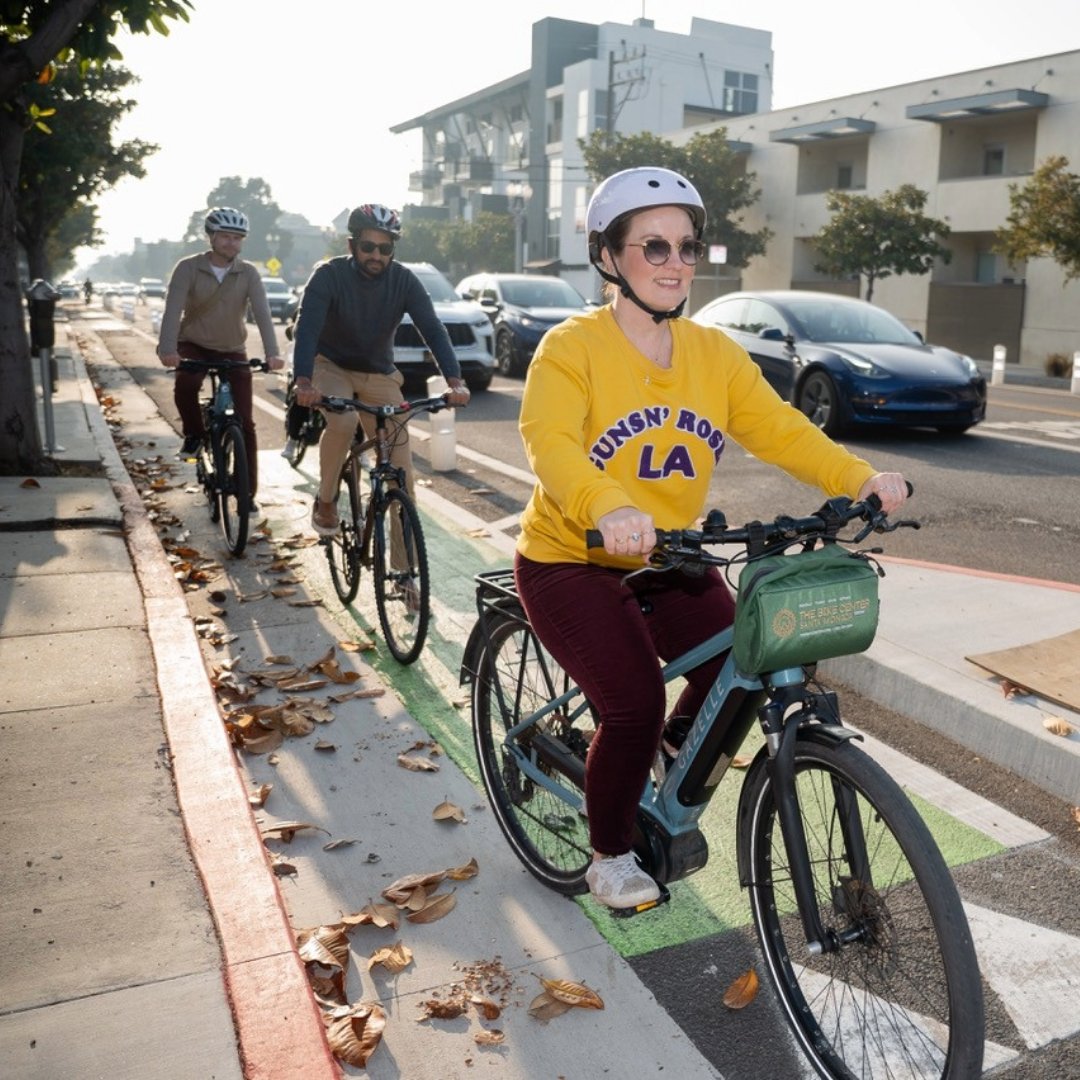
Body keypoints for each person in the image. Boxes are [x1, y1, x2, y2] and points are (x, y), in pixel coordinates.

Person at [513, 167, 910, 911]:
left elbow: (782, 430)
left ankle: (664, 753)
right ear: (609, 257)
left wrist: (858, 478)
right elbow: (552, 445)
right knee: (631, 703)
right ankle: (609, 853)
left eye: (688, 247)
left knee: (744, 653)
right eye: (654, 247)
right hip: (573, 558)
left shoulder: (712, 353)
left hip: (667, 555)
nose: (675, 264)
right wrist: (604, 505)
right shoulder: (571, 349)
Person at [290, 203, 470, 539]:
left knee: (401, 472)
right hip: (331, 365)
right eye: (368, 247)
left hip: (379, 373)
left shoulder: (404, 281)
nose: (376, 255)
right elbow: (308, 328)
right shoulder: (329, 275)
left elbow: (432, 328)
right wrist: (303, 380)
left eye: (385, 248)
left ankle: (405, 576)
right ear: (351, 246)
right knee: (342, 423)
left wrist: (455, 380)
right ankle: (326, 500)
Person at [157, 207, 284, 513]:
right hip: (193, 345)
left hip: (232, 348)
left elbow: (263, 314)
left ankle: (246, 493)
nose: (231, 243)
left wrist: (273, 353)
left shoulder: (248, 272)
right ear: (211, 237)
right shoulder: (188, 268)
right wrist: (167, 349)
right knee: (185, 384)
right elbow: (173, 310)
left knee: (246, 421)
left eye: (237, 238)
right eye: (225, 237)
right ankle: (194, 434)